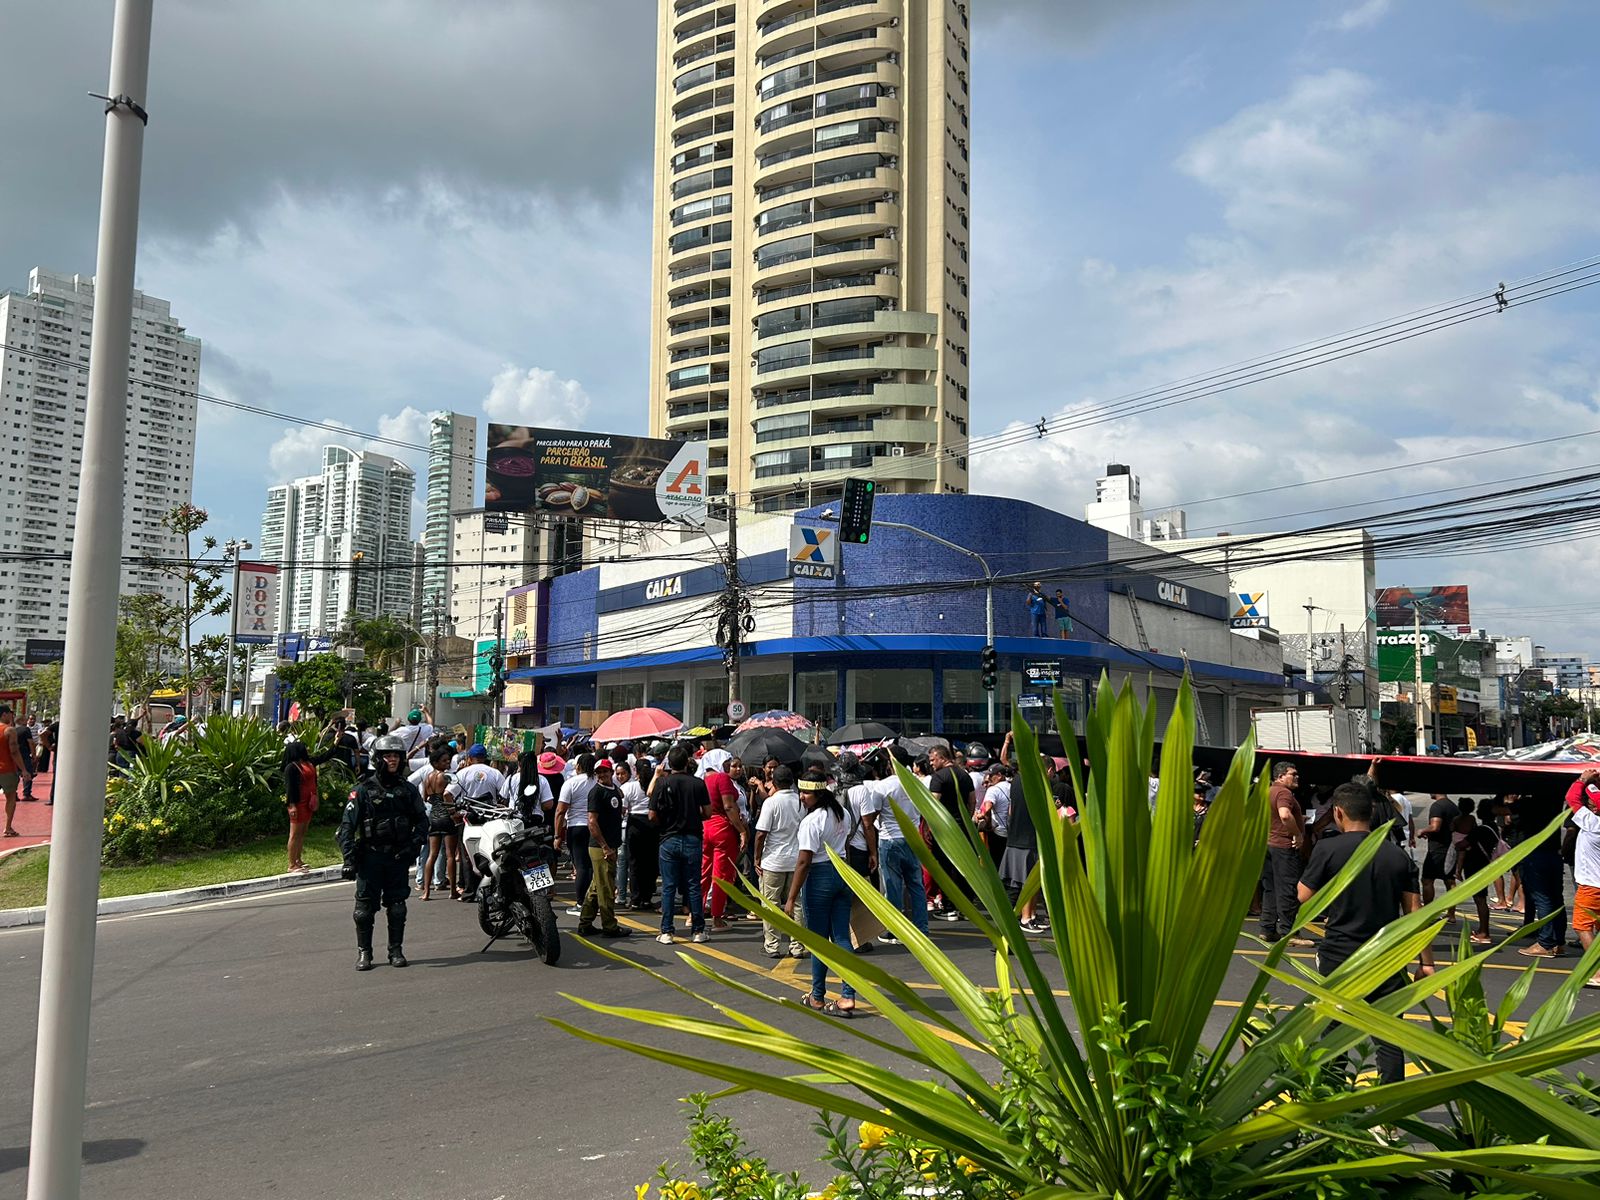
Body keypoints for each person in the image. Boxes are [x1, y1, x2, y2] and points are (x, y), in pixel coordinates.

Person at [1297, 782, 1436, 1084]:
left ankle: (1331, 1103)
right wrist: (1426, 963)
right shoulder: (1397, 856)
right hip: (1385, 956)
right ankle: (1389, 1118)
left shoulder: (1328, 848)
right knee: (1388, 1034)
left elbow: (1304, 896)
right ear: (1372, 813)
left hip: (1339, 954)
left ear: (1337, 812)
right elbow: (1415, 913)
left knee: (1334, 1029)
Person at [336, 733, 427, 970]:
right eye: (387, 755)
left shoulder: (408, 790)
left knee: (397, 907)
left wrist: (413, 846)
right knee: (364, 910)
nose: (392, 760)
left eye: (396, 755)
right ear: (378, 758)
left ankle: (395, 950)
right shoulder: (363, 790)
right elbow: (346, 827)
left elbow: (422, 821)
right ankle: (364, 952)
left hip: (398, 857)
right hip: (370, 857)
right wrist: (348, 859)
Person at [785, 767, 859, 1017]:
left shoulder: (811, 821)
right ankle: (848, 995)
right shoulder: (842, 814)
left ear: (816, 793)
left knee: (817, 941)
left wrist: (791, 898)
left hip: (819, 877)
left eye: (805, 792)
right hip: (841, 872)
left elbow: (804, 862)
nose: (802, 796)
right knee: (841, 937)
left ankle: (817, 995)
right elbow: (845, 845)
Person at [866, 746, 930, 943]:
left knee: (893, 888)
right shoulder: (916, 784)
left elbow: (871, 818)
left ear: (889, 762)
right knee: (916, 885)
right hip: (912, 839)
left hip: (889, 840)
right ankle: (922, 928)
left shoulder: (882, 786)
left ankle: (896, 930)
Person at [649, 743, 710, 945]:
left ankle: (667, 931)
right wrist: (693, 814)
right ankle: (698, 930)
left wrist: (665, 821)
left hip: (668, 838)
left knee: (669, 886)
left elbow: (652, 815)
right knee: (694, 885)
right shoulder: (698, 784)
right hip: (693, 837)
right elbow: (708, 813)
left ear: (669, 764)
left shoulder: (662, 783)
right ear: (687, 762)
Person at [754, 764, 808, 958]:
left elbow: (761, 834)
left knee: (770, 904)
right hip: (796, 860)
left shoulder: (771, 802)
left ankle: (773, 945)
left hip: (773, 861)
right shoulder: (801, 801)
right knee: (798, 904)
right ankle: (797, 945)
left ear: (774, 783)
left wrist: (756, 857)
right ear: (792, 781)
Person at [1507, 789, 1568, 957]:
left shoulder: (1529, 803)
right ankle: (1558, 942)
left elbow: (1499, 809)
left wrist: (1511, 800)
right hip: (1553, 854)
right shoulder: (1554, 800)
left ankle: (1545, 943)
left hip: (1535, 854)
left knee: (1543, 899)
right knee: (1556, 899)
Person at [1259, 763, 1313, 947]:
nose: (1297, 777)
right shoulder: (1284, 793)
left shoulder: (1267, 791)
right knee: (1287, 889)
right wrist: (1297, 833)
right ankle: (1290, 933)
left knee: (1270, 887)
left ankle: (1267, 929)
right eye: (1293, 774)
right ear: (1281, 776)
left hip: (1267, 844)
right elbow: (1284, 815)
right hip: (1283, 845)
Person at [446, 744, 507, 901]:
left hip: (469, 818)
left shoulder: (463, 773)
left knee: (467, 854)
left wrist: (453, 813)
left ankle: (470, 891)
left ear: (469, 758)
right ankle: (490, 889)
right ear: (485, 757)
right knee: (491, 852)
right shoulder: (495, 773)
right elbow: (504, 795)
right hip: (490, 817)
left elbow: (447, 794)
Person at [578, 759, 630, 939]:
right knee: (606, 888)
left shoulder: (613, 788)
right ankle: (610, 926)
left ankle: (585, 923)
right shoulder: (596, 792)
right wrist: (605, 847)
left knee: (597, 885)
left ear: (611, 772)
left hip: (611, 844)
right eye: (599, 772)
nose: (602, 775)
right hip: (601, 847)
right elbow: (592, 822)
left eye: (605, 771)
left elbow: (619, 797)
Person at [925, 743, 973, 920]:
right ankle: (967, 906)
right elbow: (972, 801)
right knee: (964, 867)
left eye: (932, 760)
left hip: (944, 830)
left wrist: (931, 828)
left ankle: (949, 906)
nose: (931, 764)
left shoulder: (938, 778)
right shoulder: (964, 775)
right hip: (962, 827)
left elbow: (933, 805)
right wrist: (966, 819)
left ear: (941, 758)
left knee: (945, 868)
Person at [1563, 770, 1600, 988]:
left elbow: (1571, 798)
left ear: (1594, 808)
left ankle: (1596, 971)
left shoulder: (1592, 823)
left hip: (1591, 886)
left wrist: (1582, 779)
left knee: (1582, 926)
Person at [701, 759, 748, 931]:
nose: (735, 767)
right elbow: (729, 806)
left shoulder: (706, 780)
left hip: (706, 827)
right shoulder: (722, 779)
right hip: (722, 829)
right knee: (721, 875)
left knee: (704, 872)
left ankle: (695, 914)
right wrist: (741, 830)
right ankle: (717, 918)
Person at [282, 740, 338, 873]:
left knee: (302, 833)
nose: (306, 749)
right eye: (304, 747)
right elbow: (290, 789)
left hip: (309, 802)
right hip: (298, 803)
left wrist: (336, 743)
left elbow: (325, 756)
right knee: (294, 834)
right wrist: (292, 806)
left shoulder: (308, 763)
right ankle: (291, 864)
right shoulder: (292, 767)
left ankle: (298, 859)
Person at [554, 754, 599, 919]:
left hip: (576, 827)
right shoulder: (599, 781)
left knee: (581, 866)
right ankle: (596, 901)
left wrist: (557, 835)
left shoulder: (571, 783)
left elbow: (560, 811)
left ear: (578, 766)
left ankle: (581, 903)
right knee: (594, 867)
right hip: (597, 828)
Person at [1450, 797, 1498, 946]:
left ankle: (1484, 932)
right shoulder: (1492, 827)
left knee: (1480, 899)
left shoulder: (1480, 830)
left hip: (1476, 865)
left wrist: (1457, 842)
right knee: (1481, 898)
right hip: (1484, 864)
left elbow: (1462, 845)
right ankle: (1483, 930)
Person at [420, 745, 461, 901]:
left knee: (432, 854)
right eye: (444, 761)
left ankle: (426, 892)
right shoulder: (446, 777)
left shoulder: (427, 778)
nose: (447, 762)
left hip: (434, 817)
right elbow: (449, 794)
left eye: (448, 760)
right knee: (450, 855)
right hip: (447, 816)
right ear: (436, 762)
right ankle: (452, 891)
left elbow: (425, 798)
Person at [623, 757, 661, 910]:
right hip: (653, 823)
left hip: (635, 824)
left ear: (635, 771)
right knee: (651, 862)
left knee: (635, 863)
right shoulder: (656, 785)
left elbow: (624, 808)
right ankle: (647, 897)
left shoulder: (629, 787)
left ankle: (636, 898)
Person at [1419, 792, 1460, 911]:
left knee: (1427, 880)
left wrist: (1422, 831)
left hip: (1437, 849)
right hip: (1450, 848)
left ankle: (1426, 911)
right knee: (1450, 881)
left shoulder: (1437, 806)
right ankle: (1451, 914)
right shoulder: (1453, 806)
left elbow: (1435, 826)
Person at [0, 706, 34, 838]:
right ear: (4, 714)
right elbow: (14, 751)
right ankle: (7, 828)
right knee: (10, 798)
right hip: (7, 769)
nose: (11, 717)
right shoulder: (9, 730)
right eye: (10, 714)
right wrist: (24, 769)